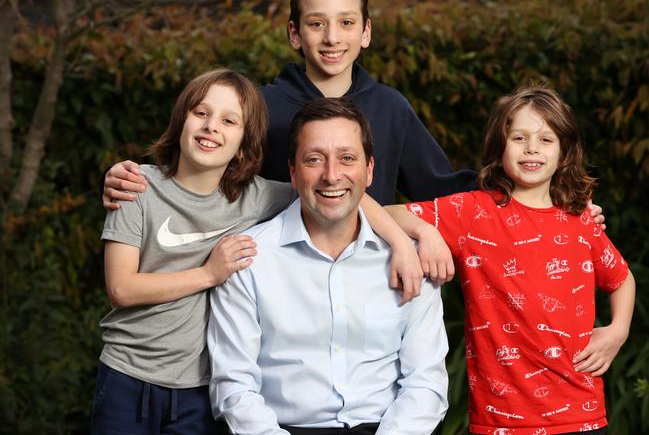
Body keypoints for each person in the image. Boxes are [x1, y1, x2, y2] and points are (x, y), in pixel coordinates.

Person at [92, 69, 423, 434]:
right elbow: (121, 289)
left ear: (244, 140)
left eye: (229, 120)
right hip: (128, 375)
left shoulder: (255, 197)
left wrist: (403, 241)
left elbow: (338, 193)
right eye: (200, 113)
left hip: (198, 386)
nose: (211, 127)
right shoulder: (136, 186)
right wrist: (209, 274)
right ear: (180, 118)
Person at [100, 0, 476, 208]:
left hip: (367, 282)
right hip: (273, 286)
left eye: (346, 23)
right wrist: (122, 177)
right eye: (317, 24)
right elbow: (190, 170)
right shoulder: (259, 107)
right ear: (295, 34)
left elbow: (442, 192)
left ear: (366, 32)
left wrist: (515, 179)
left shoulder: (390, 108)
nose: (332, 38)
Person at [386, 84, 636, 435]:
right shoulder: (471, 212)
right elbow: (385, 212)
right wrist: (423, 233)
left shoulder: (582, 221)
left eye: (546, 139)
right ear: (499, 148)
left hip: (580, 411)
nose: (532, 148)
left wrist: (618, 330)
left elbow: (621, 278)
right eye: (519, 137)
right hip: (501, 417)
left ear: (564, 152)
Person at [208, 97, 449, 435]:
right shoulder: (248, 258)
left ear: (369, 171)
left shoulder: (409, 260)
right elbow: (234, 388)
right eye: (314, 159)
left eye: (347, 158)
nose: (332, 175)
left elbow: (426, 384)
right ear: (292, 172)